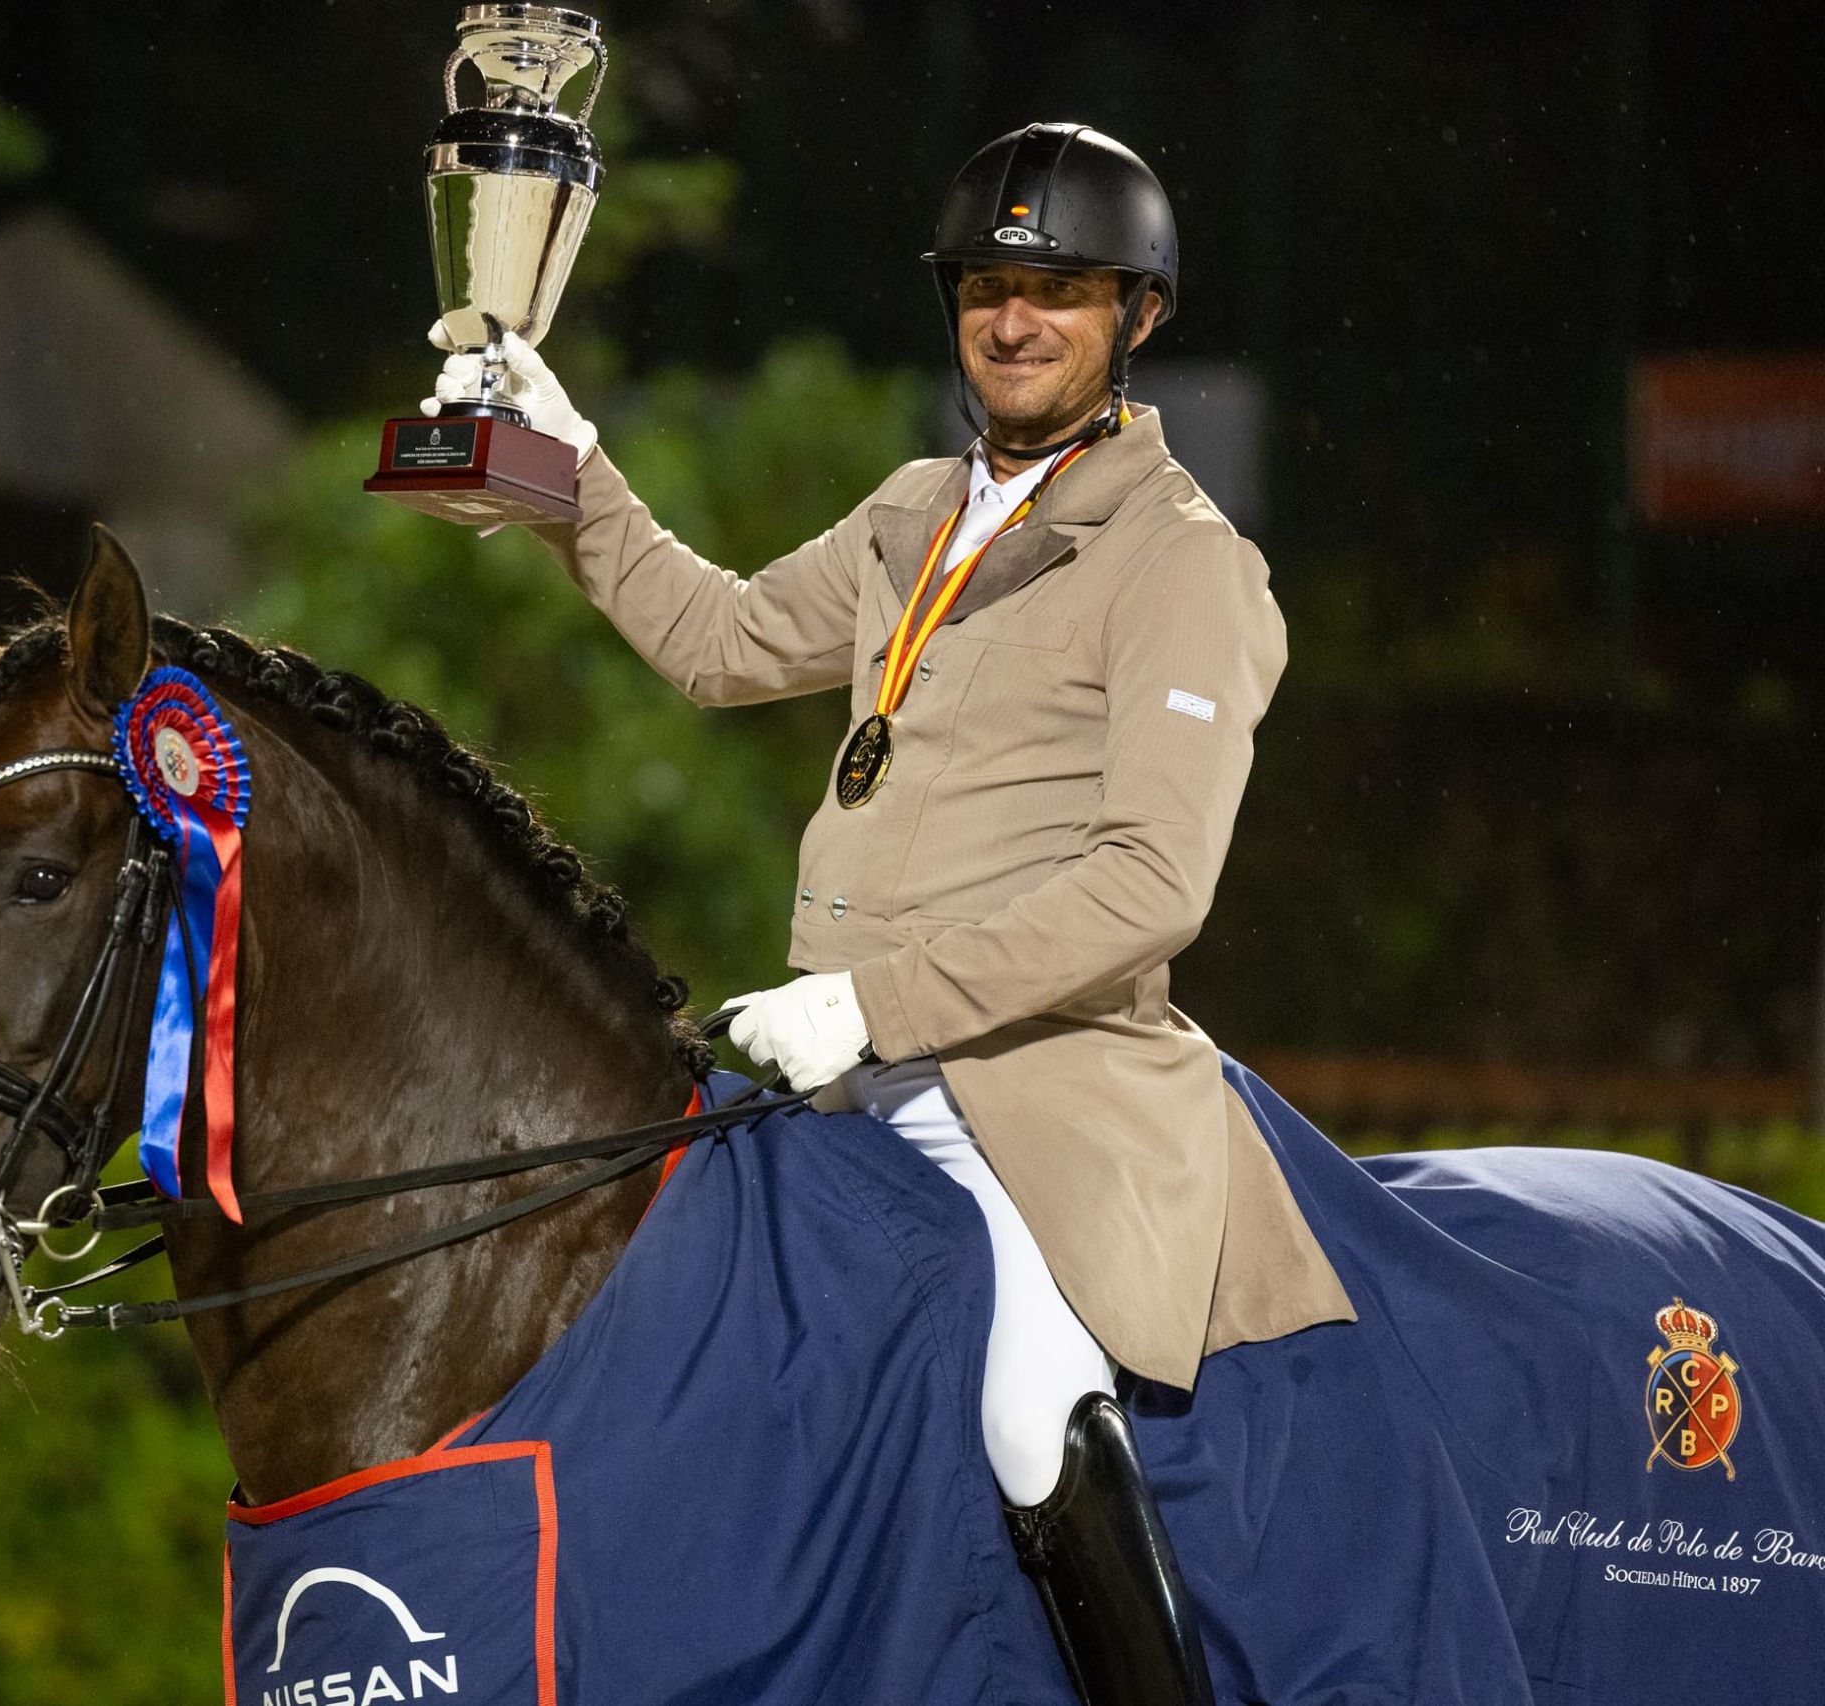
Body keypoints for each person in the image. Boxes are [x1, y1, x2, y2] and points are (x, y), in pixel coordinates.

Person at [424, 121, 1356, 1702]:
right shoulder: (913, 512)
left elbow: (1154, 882)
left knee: (1023, 1391)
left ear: (1137, 316)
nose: (1015, 319)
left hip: (1043, 1098)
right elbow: (718, 641)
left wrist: (876, 1002)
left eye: (1059, 291)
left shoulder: (1184, 563)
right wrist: (571, 467)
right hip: (838, 1074)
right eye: (991, 284)